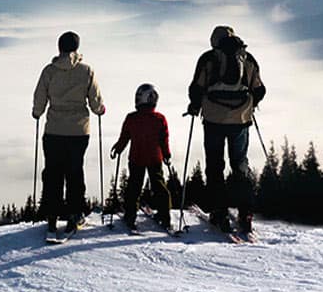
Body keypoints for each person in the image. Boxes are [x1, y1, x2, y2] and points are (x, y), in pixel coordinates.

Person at [186, 25, 267, 235]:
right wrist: (249, 105)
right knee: (240, 164)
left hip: (213, 119)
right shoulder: (247, 58)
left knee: (215, 166)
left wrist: (195, 106)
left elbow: (196, 88)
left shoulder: (209, 58)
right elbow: (260, 89)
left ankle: (219, 212)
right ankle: (245, 212)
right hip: (240, 119)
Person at [32, 31, 106, 235]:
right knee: (75, 172)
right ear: (77, 48)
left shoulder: (49, 71)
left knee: (53, 172)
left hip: (54, 130)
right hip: (79, 131)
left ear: (59, 48)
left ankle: (52, 215)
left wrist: (37, 113)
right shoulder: (86, 70)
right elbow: (95, 102)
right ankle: (74, 214)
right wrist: (100, 110)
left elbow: (39, 98)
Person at [110, 83, 172, 233]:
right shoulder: (159, 119)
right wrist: (167, 155)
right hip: (155, 158)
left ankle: (130, 216)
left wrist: (117, 149)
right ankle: (165, 216)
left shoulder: (132, 118)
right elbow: (164, 139)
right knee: (159, 186)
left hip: (137, 158)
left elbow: (125, 137)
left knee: (134, 187)